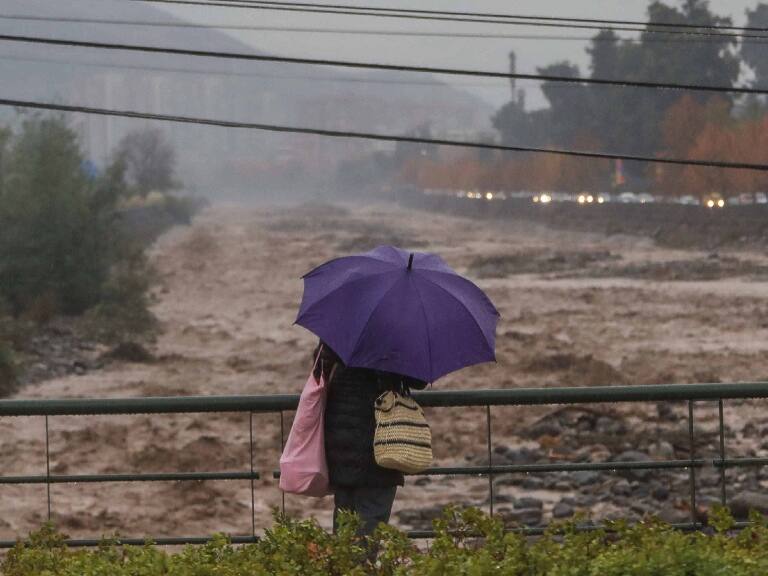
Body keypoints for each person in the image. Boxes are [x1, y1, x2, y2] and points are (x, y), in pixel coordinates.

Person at [312, 339, 428, 537]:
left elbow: (319, 369)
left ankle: (345, 567)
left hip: (340, 444)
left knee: (344, 536)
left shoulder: (340, 331)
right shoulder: (393, 335)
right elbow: (419, 379)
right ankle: (358, 568)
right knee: (367, 535)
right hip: (380, 446)